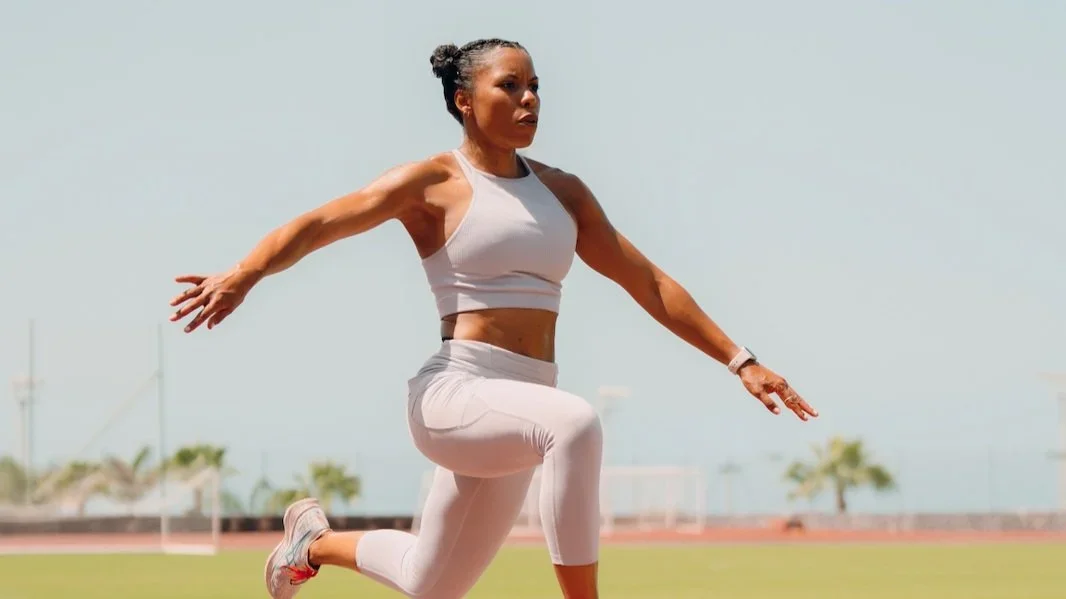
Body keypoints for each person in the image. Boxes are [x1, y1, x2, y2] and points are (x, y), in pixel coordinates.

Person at [168, 37, 817, 599]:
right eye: (510, 86)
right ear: (464, 100)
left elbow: (646, 281)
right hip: (455, 390)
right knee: (576, 423)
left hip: (524, 405)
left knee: (431, 582)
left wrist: (741, 360)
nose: (530, 99)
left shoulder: (564, 193)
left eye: (535, 86)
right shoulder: (433, 181)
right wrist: (245, 272)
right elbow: (319, 224)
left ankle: (310, 544)